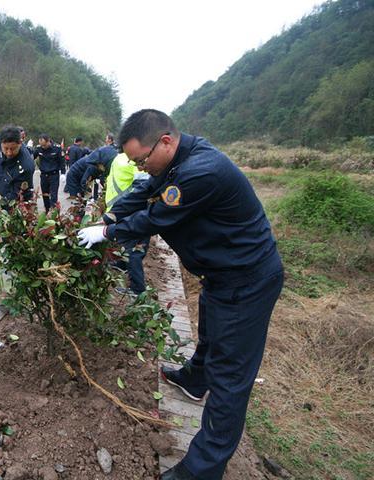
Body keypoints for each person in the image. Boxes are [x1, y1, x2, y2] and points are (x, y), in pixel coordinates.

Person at [77, 109, 284, 480]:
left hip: (247, 280)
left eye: (142, 159)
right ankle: (193, 379)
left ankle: (202, 469)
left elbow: (156, 217)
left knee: (230, 379)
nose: (141, 167)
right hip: (221, 275)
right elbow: (144, 190)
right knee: (210, 334)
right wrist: (109, 217)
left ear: (166, 142)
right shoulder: (176, 161)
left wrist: (107, 235)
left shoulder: (203, 171)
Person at [104, 152, 151, 295]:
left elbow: (142, 189)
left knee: (135, 250)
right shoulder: (133, 157)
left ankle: (137, 289)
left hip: (132, 209)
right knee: (130, 244)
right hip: (128, 208)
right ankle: (123, 264)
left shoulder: (125, 158)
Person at [0, 125, 35, 210]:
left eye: (12, 149)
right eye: (5, 149)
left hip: (21, 202)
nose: (9, 153)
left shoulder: (26, 166)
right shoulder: (0, 140)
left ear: (20, 143)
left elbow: (15, 195)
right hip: (4, 192)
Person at [33, 134, 65, 212]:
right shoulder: (38, 148)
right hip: (44, 175)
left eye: (44, 145)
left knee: (53, 195)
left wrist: (63, 173)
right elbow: (31, 158)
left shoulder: (56, 148)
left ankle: (53, 212)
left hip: (54, 175)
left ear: (48, 141)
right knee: (45, 194)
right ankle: (47, 211)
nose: (43, 147)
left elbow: (62, 161)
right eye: (41, 145)